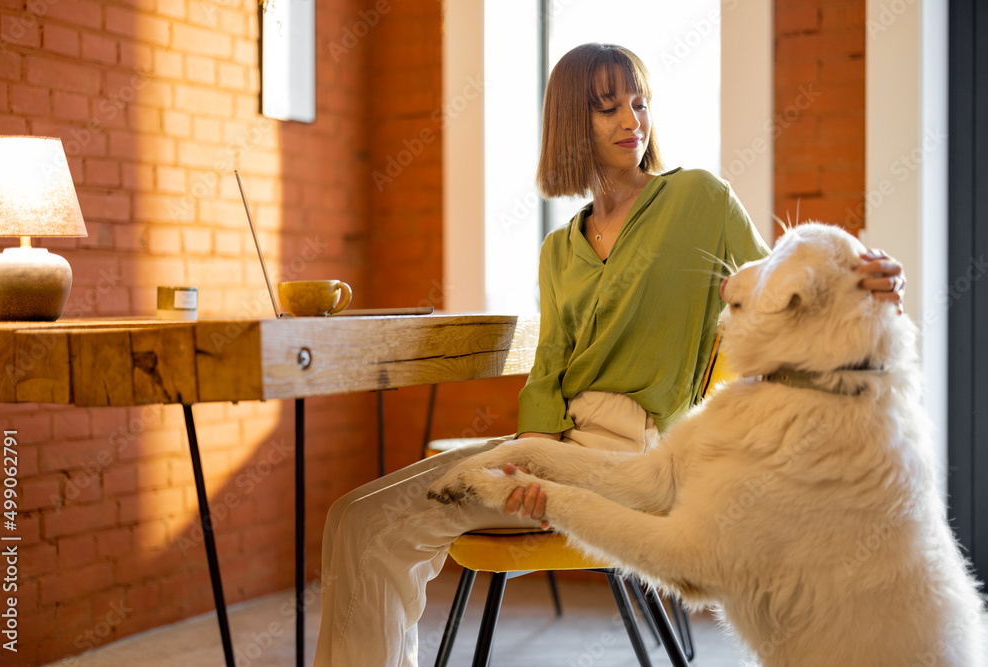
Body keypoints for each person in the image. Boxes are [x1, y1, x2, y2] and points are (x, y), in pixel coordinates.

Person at [313, 43, 904, 667]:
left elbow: (780, 282)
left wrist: (865, 277)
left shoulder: (699, 200)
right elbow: (548, 374)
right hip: (555, 449)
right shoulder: (557, 250)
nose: (632, 120)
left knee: (368, 530)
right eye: (607, 107)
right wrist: (529, 467)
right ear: (572, 122)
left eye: (638, 102)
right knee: (351, 517)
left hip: (635, 460)